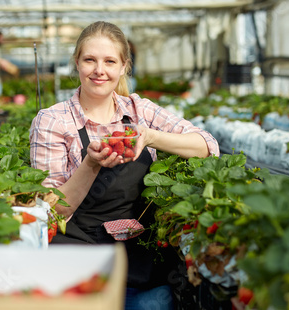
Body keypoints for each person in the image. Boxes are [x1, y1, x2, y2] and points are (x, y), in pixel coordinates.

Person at [29, 21, 220, 310]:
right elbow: (51, 211)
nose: (99, 70)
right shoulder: (53, 121)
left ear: (123, 67)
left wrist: (152, 136)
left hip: (138, 253)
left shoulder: (139, 111)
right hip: (80, 251)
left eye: (109, 61)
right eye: (89, 60)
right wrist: (91, 165)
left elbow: (208, 146)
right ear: (77, 64)